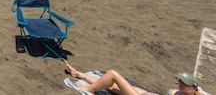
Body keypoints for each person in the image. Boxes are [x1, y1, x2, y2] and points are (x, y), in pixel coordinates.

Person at [64, 61, 205, 95]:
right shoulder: (184, 92)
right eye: (180, 81)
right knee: (112, 86)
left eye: (184, 84)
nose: (180, 84)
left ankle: (89, 89)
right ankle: (80, 75)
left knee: (113, 74)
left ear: (193, 87)